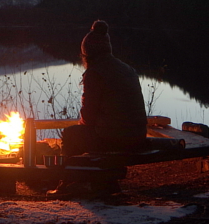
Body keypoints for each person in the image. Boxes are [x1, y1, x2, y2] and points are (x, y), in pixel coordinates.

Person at [61, 20, 147, 158]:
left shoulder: (95, 73)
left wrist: (81, 128)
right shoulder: (127, 69)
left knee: (70, 134)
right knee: (89, 133)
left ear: (87, 54)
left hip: (116, 139)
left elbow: (88, 116)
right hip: (138, 136)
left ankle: (72, 174)